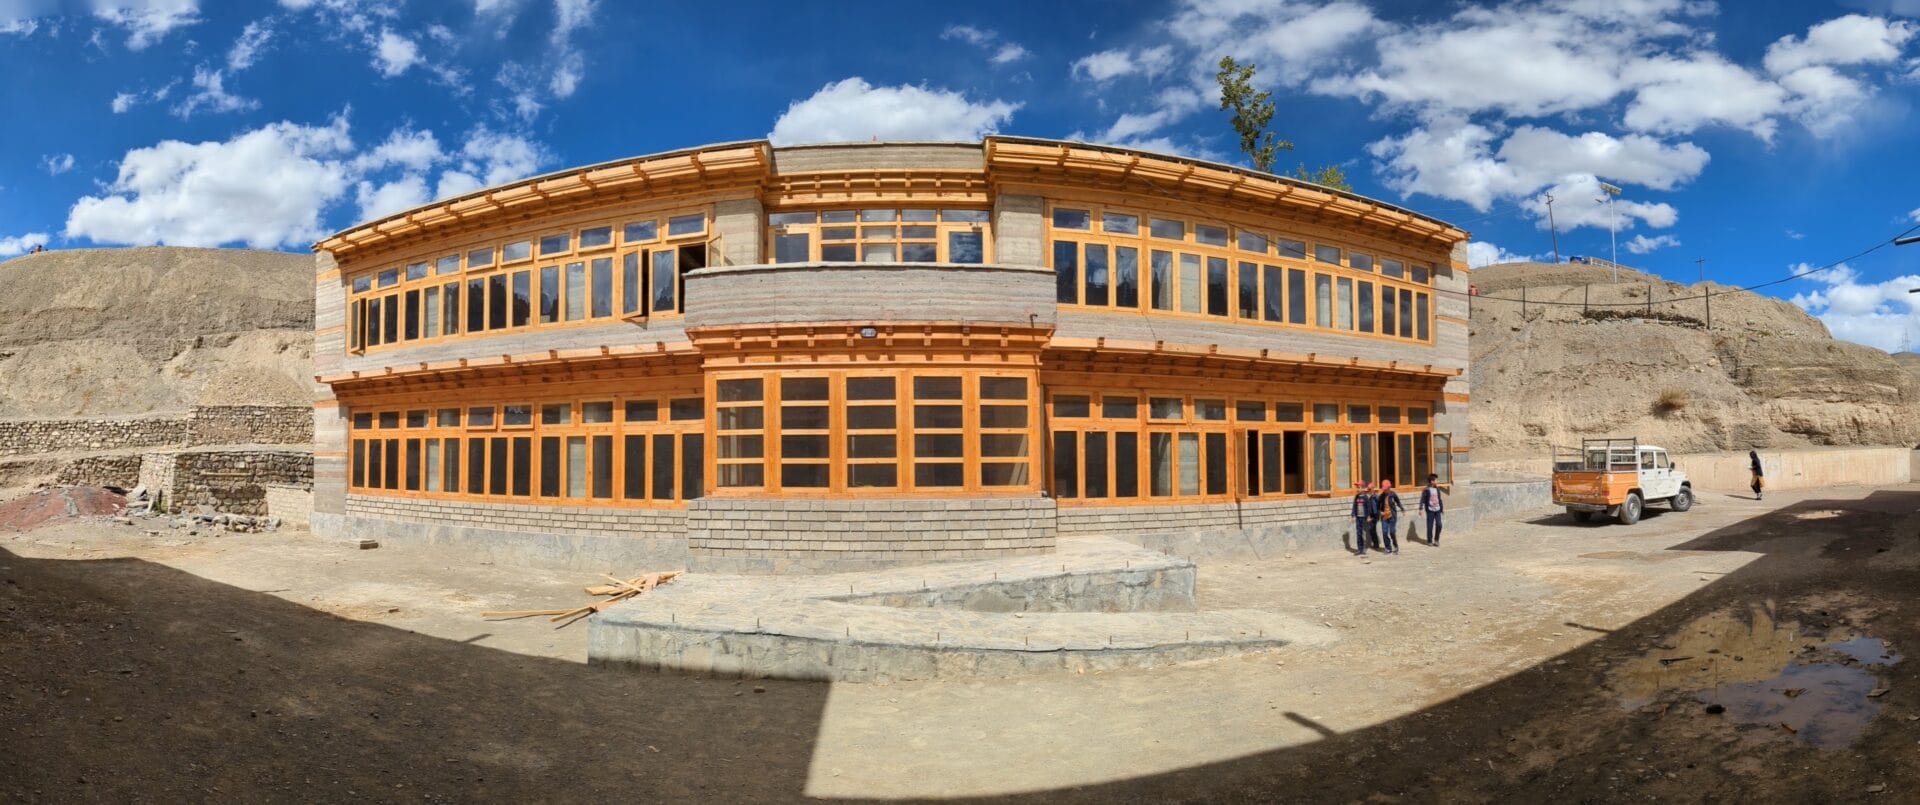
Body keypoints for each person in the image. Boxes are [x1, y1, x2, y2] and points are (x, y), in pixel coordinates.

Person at [1377, 479, 1404, 554]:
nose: (1384, 491)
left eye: (1386, 489)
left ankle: (1395, 546)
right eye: (1384, 489)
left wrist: (1402, 509)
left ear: (1389, 488)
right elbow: (1377, 506)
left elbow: (1398, 502)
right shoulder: (1381, 496)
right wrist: (1380, 512)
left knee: (1392, 532)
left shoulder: (1393, 494)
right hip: (1384, 517)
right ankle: (1388, 548)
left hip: (1392, 516)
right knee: (1385, 532)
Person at [1351, 480, 1377, 556]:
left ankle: (1363, 549)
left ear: (1362, 488)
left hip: (1363, 518)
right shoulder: (1356, 497)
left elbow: (1368, 507)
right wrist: (1352, 515)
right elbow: (1354, 506)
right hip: (1358, 517)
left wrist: (1368, 516)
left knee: (1363, 534)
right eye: (1357, 487)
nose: (1357, 489)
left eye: (1358, 487)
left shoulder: (1365, 497)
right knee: (1358, 533)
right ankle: (1359, 549)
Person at [1420, 474, 1444, 546]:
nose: (1437, 481)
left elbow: (1439, 499)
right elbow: (1422, 499)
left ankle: (1436, 539)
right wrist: (1420, 509)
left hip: (1437, 510)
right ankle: (1429, 540)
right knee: (1430, 526)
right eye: (1436, 480)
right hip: (1430, 510)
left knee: (1439, 524)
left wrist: (1441, 509)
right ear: (1432, 481)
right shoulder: (1426, 490)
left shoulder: (1437, 489)